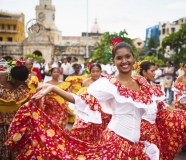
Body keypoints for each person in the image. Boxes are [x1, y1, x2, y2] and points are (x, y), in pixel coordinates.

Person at [6, 42, 159, 159]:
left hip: (135, 145)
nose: (124, 61)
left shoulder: (142, 82)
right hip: (116, 143)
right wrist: (54, 89)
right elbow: (82, 100)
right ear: (114, 61)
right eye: (119, 58)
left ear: (134, 58)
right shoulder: (109, 84)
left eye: (127, 56)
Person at [139, 61, 186, 160]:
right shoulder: (137, 87)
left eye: (155, 71)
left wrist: (177, 112)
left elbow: (161, 105)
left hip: (153, 125)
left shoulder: (154, 87)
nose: (155, 73)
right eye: (152, 71)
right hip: (143, 126)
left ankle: (185, 146)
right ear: (144, 72)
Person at [70, 63, 112, 143]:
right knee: (81, 129)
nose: (95, 73)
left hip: (102, 110)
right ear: (90, 72)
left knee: (100, 130)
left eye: (97, 71)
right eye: (93, 71)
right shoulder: (86, 82)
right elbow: (81, 97)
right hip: (88, 109)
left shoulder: (105, 82)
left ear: (101, 72)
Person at [0, 65, 29, 160]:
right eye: (14, 80)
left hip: (15, 120)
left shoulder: (24, 84)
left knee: (13, 143)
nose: (15, 83)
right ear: (11, 74)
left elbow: (26, 101)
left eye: (18, 82)